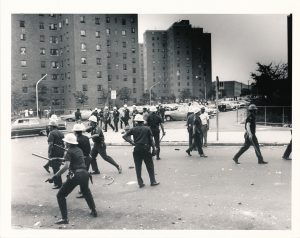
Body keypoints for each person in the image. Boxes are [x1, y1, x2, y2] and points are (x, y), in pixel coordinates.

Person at [46, 133, 97, 224]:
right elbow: (74, 161)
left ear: (69, 143)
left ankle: (65, 219)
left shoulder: (68, 152)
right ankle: (93, 210)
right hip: (85, 174)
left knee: (60, 195)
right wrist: (65, 159)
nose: (65, 144)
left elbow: (66, 167)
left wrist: (54, 177)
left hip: (76, 175)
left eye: (66, 142)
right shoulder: (79, 150)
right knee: (86, 192)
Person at [122, 114, 160, 188]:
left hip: (137, 148)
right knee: (150, 166)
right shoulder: (147, 129)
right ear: (142, 122)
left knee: (138, 167)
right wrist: (154, 149)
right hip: (146, 148)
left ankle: (140, 183)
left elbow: (124, 136)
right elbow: (151, 140)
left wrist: (132, 142)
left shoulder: (133, 129)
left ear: (136, 122)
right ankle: (153, 181)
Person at [72, 123, 92, 198]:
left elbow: (76, 151)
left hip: (82, 159)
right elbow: (89, 149)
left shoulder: (77, 140)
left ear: (75, 132)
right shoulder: (86, 138)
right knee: (84, 174)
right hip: (88, 157)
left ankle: (84, 192)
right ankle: (82, 190)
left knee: (81, 176)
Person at [47, 120, 65, 189]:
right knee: (57, 166)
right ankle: (56, 182)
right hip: (61, 151)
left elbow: (50, 144)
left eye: (49, 126)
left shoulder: (51, 133)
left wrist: (49, 153)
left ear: (52, 127)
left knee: (55, 167)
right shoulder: (61, 133)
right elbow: (64, 143)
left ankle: (58, 183)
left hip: (54, 151)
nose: (49, 128)